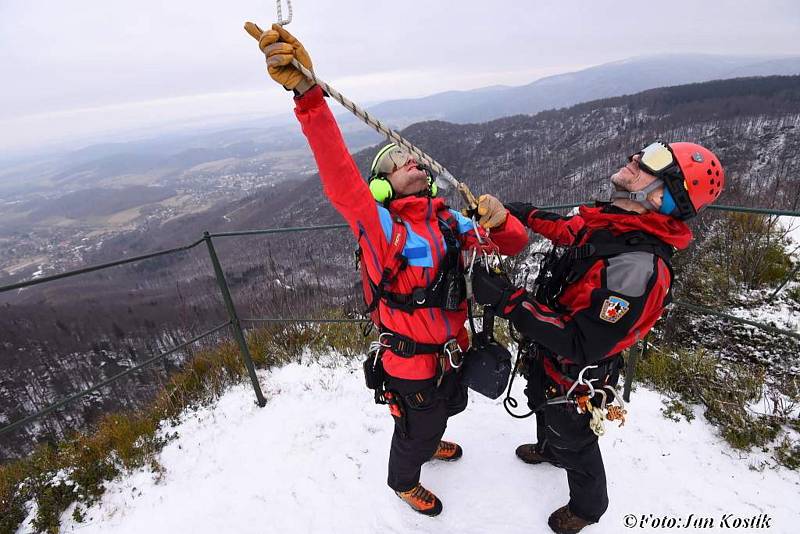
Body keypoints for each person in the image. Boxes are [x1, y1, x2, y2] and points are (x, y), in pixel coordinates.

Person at [245, 23, 528, 516]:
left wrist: (501, 221)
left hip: (452, 352)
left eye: (412, 155)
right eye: (398, 160)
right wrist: (308, 94)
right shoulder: (382, 228)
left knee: (446, 410)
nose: (412, 159)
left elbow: (513, 243)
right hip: (410, 361)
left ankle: (430, 438)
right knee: (415, 427)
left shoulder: (447, 220)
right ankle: (404, 479)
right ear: (382, 185)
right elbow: (338, 178)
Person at [470, 141, 725, 534]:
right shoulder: (613, 224)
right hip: (551, 357)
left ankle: (588, 507)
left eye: (654, 161)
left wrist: (508, 300)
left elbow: (581, 341)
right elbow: (569, 230)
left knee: (576, 440)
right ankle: (549, 449)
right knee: (542, 402)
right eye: (646, 151)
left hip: (578, 375)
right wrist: (516, 213)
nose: (635, 158)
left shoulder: (637, 268)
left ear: (663, 197)